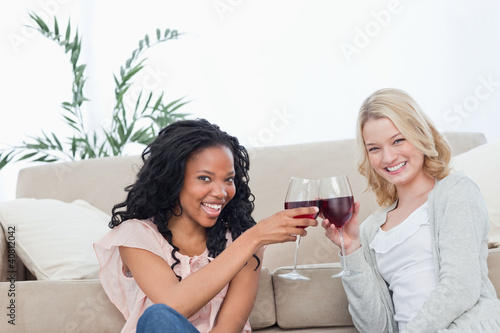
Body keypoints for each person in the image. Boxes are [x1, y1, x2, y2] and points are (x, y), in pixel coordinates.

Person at [94, 118, 318, 333]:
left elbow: (230, 326)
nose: (221, 192)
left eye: (228, 179)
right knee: (158, 317)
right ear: (173, 180)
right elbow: (174, 304)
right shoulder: (135, 236)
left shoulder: (242, 238)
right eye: (205, 178)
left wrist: (250, 239)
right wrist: (253, 237)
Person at [321, 88, 500, 332]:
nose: (388, 157)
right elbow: (376, 326)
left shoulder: (456, 191)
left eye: (398, 140)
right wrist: (351, 249)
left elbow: (461, 286)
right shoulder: (372, 229)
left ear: (420, 135)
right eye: (374, 148)